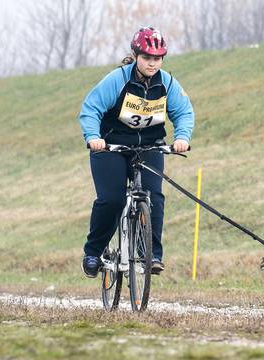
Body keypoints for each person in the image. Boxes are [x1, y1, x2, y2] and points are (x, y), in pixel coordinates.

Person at [78, 27, 194, 278]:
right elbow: (91, 109)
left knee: (154, 196)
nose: (152, 64)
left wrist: (182, 137)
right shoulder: (117, 80)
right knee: (112, 199)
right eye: (147, 58)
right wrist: (93, 137)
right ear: (136, 55)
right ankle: (93, 252)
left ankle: (151, 254)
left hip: (149, 146)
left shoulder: (168, 83)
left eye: (157, 58)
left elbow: (183, 112)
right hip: (111, 146)